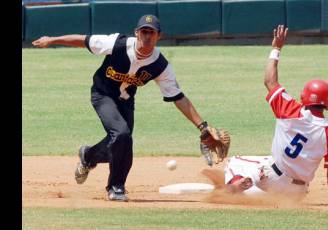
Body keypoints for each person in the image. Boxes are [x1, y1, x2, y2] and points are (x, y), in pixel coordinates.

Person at [32, 14, 219, 202]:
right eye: (144, 31)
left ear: (159, 36)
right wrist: (52, 40)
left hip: (126, 101)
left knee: (124, 142)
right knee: (121, 134)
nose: (147, 36)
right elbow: (83, 40)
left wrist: (202, 126)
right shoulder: (116, 43)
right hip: (102, 94)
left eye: (151, 33)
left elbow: (178, 97)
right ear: (136, 33)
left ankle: (88, 155)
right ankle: (116, 187)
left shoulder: (160, 65)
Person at [223, 25, 328, 205]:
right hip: (297, 191)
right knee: (274, 168)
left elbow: (269, 81)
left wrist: (276, 48)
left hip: (271, 177)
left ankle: (244, 188)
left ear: (304, 97)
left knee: (235, 162)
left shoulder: (289, 109)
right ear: (327, 102)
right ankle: (264, 197)